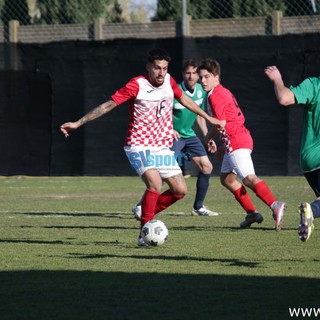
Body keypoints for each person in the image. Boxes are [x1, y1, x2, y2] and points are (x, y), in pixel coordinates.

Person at [60, 49, 223, 246]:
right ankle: (143, 235)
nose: (161, 72)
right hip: (138, 145)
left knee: (180, 191)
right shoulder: (137, 85)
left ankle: (144, 212)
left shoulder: (170, 82)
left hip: (161, 147)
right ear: (148, 67)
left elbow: (185, 100)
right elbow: (108, 105)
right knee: (155, 184)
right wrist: (78, 123)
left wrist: (207, 117)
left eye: (164, 68)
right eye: (157, 68)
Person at [197, 58, 287, 231]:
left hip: (236, 140)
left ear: (217, 77)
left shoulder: (216, 94)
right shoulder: (220, 92)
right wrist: (223, 145)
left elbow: (220, 123)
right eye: (201, 77)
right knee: (227, 179)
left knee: (248, 178)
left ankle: (275, 204)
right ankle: (252, 213)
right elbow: (229, 120)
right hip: (236, 139)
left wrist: (208, 138)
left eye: (207, 76)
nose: (203, 81)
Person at [132, 59, 219, 220]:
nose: (191, 76)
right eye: (188, 73)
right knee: (160, 175)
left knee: (207, 167)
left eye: (194, 73)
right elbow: (160, 111)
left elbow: (198, 115)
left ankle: (198, 207)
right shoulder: (174, 89)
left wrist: (207, 136)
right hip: (173, 136)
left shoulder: (201, 90)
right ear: (183, 74)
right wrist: (169, 128)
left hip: (189, 135)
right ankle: (140, 206)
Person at [265, 65, 320, 241]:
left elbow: (284, 98)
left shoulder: (314, 84)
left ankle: (311, 216)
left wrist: (277, 79)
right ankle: (311, 212)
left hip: (309, 160)